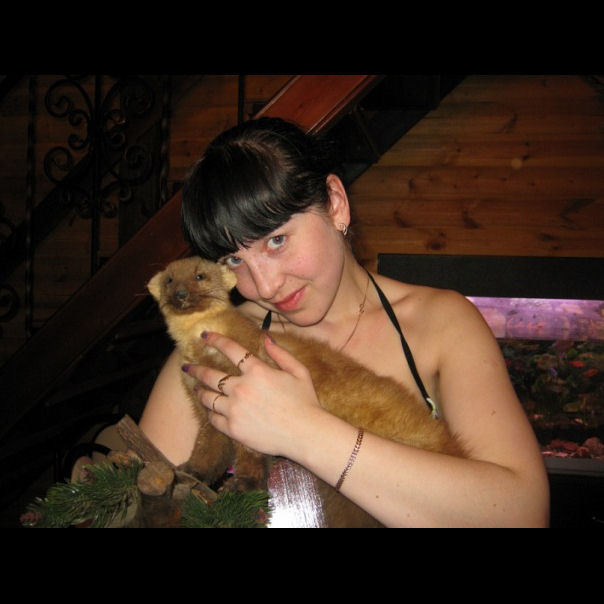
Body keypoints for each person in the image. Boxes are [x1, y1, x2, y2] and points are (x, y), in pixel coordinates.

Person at [137, 117, 550, 527]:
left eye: (276, 240)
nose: (264, 285)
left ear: (335, 204)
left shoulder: (442, 324)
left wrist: (302, 429)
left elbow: (522, 514)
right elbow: (132, 501)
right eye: (233, 260)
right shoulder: (216, 344)